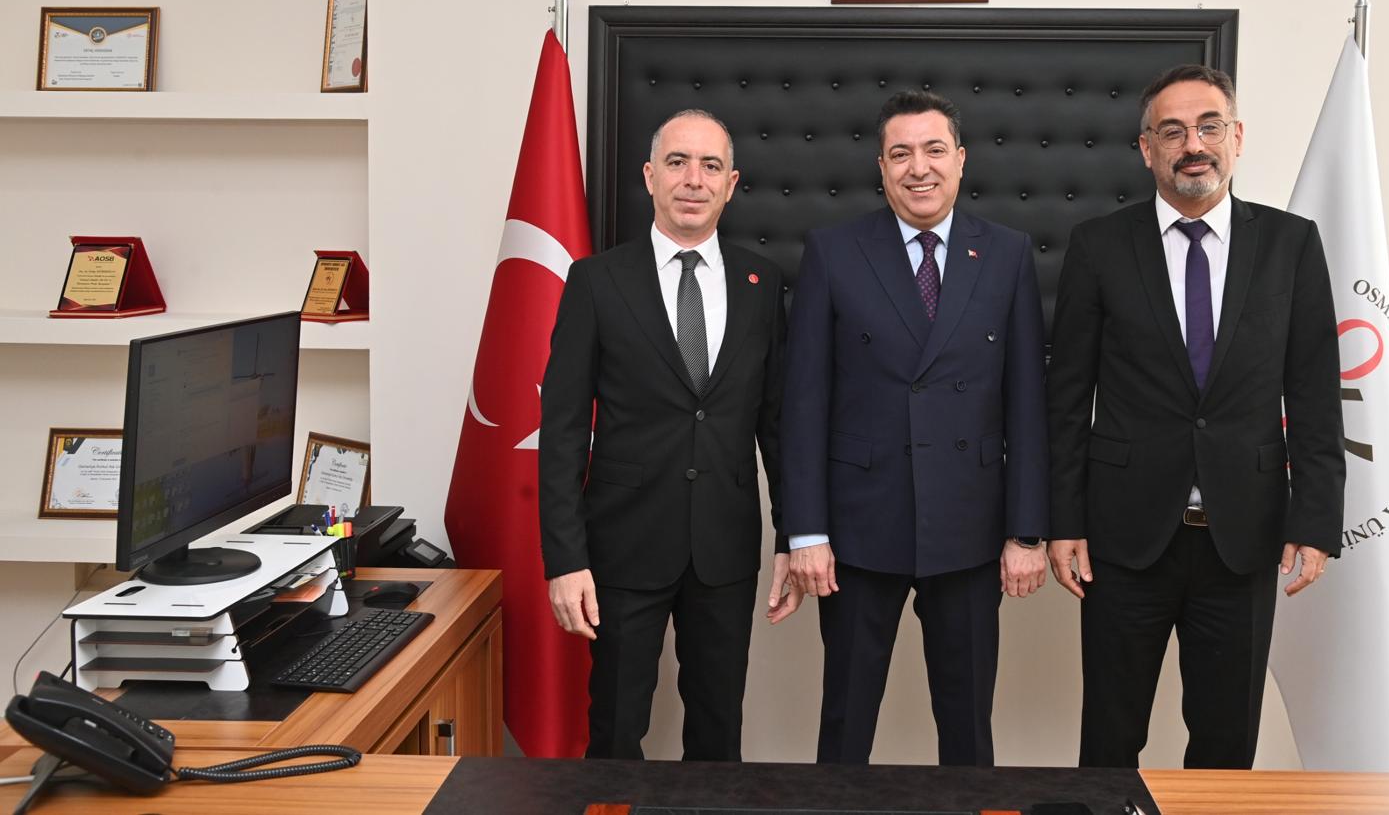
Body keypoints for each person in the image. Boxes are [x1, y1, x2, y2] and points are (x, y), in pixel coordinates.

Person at [1046, 64, 1346, 769]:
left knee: (1226, 744)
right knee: (1110, 739)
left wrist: (1314, 521)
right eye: (1173, 131)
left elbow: (1313, 395)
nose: (1193, 146)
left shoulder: (1291, 245)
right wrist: (1063, 520)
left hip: (1243, 538)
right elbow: (1066, 398)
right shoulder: (1099, 246)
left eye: (1209, 127)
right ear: (1146, 148)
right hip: (1124, 539)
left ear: (1236, 137)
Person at [782, 90, 1049, 766]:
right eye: (900, 153)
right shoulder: (834, 251)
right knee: (845, 722)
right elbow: (804, 402)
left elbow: (1028, 402)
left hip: (970, 528)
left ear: (960, 159)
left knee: (968, 728)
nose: (918, 168)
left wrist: (1026, 531)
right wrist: (805, 532)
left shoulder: (1007, 253)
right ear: (881, 167)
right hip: (857, 530)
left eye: (934, 150)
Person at [538, 109, 800, 761]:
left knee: (718, 733)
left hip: (724, 549)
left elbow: (777, 426)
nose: (693, 179)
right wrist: (565, 560)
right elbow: (563, 432)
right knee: (615, 730)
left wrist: (793, 537)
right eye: (678, 162)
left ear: (731, 184)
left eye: (711, 166)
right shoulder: (596, 281)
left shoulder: (761, 283)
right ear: (650, 176)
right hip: (622, 547)